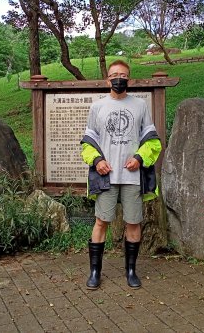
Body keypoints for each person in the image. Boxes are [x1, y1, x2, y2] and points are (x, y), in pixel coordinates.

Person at [80, 60, 162, 289]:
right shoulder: (97, 107)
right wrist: (97, 161)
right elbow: (88, 142)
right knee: (101, 221)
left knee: (133, 222)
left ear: (129, 79)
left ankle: (131, 270)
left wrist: (139, 158)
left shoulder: (140, 106)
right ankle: (95, 271)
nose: (119, 78)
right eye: (114, 74)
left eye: (123, 75)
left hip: (132, 176)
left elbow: (152, 140)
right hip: (107, 175)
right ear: (107, 79)